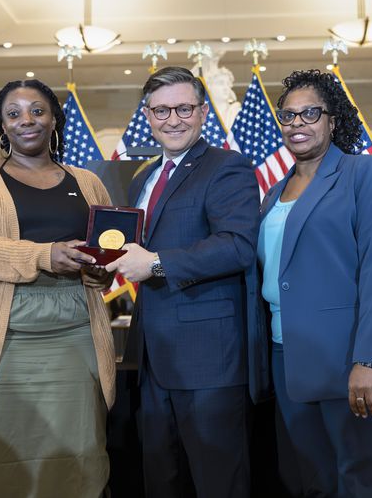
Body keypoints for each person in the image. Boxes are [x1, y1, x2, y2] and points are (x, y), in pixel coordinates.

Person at [0, 79, 116, 497]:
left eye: (37, 110)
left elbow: (103, 254)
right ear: (2, 126)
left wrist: (98, 270)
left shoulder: (88, 181)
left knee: (79, 451)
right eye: (13, 114)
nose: (26, 121)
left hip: (75, 332)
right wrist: (42, 254)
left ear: (54, 117)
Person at [105, 66, 266, 498]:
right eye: (161, 110)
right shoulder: (144, 177)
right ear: (147, 114)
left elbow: (237, 246)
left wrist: (156, 264)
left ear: (202, 113)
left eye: (183, 108)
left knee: (218, 483)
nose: (172, 119)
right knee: (163, 481)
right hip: (152, 357)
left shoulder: (227, 167)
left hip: (209, 358)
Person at [256, 69, 372, 497]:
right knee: (313, 484)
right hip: (289, 358)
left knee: (363, 483)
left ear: (332, 119)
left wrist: (370, 359)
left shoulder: (362, 174)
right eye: (288, 116)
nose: (297, 124)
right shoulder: (274, 192)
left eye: (310, 113)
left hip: (353, 358)